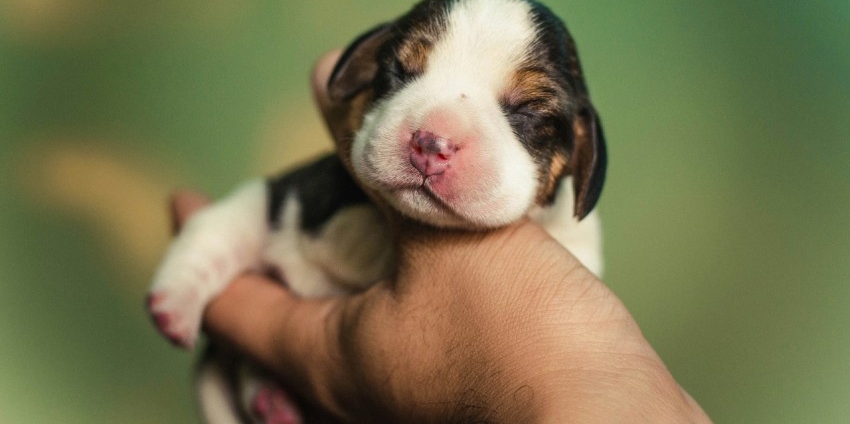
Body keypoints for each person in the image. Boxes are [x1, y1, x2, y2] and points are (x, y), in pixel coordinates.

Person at [174, 50, 709, 422]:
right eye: (405, 73)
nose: (437, 136)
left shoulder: (575, 235)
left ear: (580, 154)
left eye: (523, 109)